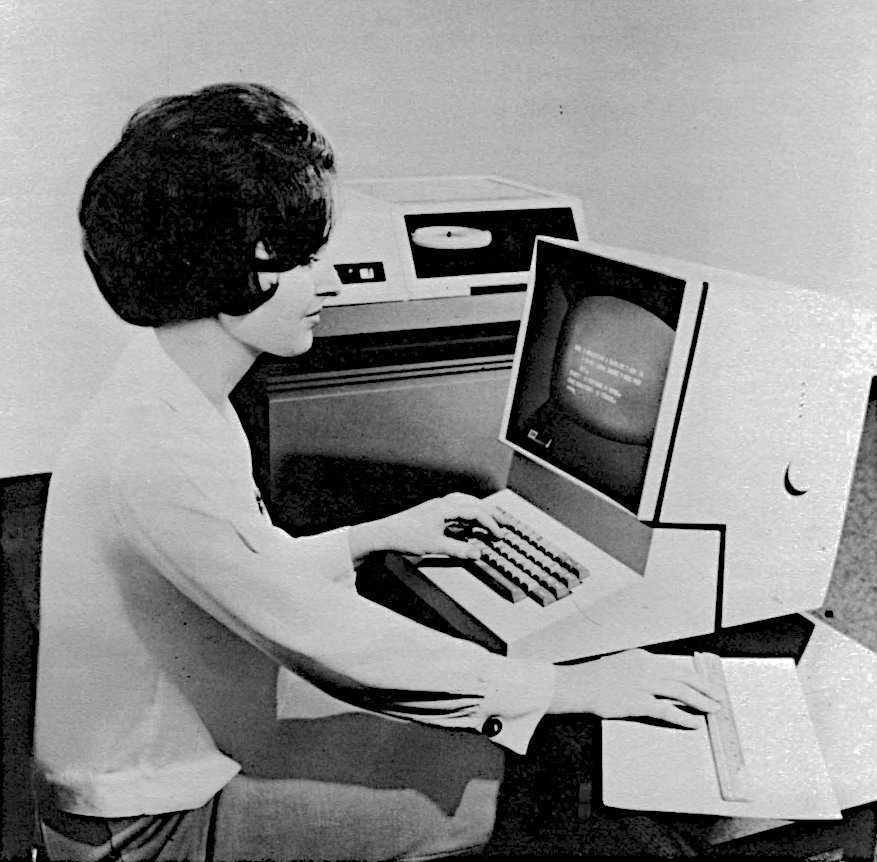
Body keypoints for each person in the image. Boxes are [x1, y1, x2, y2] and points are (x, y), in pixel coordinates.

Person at [34, 82, 721, 862]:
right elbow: (340, 649)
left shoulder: (168, 383)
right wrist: (576, 686)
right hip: (148, 829)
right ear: (220, 263)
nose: (327, 282)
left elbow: (235, 570)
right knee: (513, 790)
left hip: (165, 756)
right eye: (300, 258)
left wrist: (370, 537)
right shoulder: (160, 451)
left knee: (493, 738)